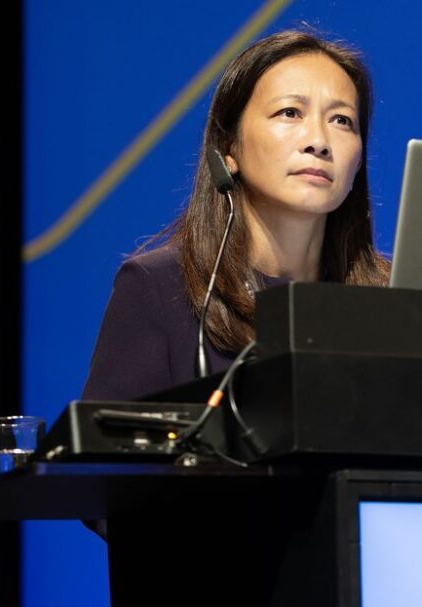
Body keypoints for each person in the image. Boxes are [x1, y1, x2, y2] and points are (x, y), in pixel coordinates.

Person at [81, 28, 390, 402]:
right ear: (229, 149)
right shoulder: (159, 289)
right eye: (290, 112)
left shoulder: (389, 301)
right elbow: (109, 439)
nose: (319, 142)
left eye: (342, 120)